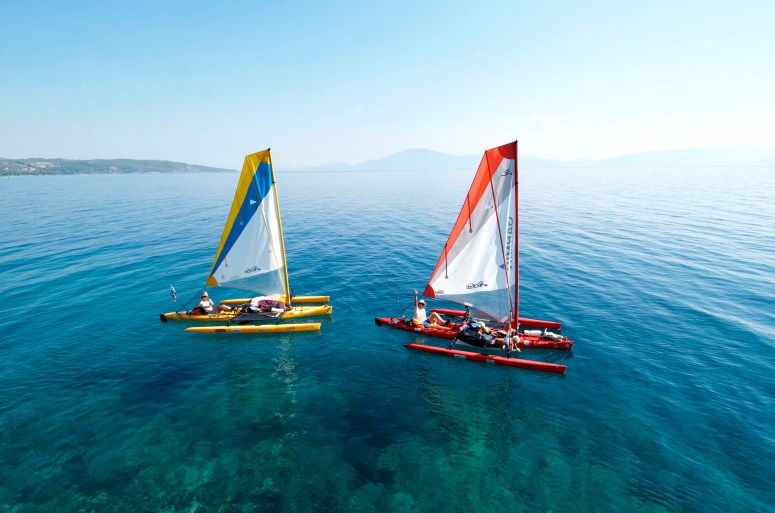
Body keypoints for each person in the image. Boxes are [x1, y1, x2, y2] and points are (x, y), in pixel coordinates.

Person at [455, 320, 520, 351]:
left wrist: (494, 337)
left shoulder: (507, 341)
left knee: (474, 335)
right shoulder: (509, 340)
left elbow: (497, 340)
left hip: (485, 342)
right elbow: (511, 345)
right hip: (486, 340)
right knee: (477, 332)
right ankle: (462, 329)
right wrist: (516, 348)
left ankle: (461, 331)